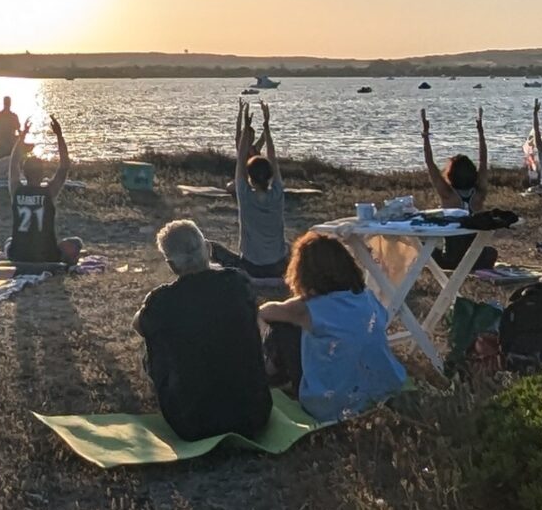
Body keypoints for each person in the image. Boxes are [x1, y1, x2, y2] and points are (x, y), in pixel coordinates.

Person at [134, 220, 272, 441]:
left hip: (193, 423)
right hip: (254, 415)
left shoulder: (162, 300)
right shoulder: (237, 282)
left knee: (152, 338)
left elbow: (138, 325)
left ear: (172, 265)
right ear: (208, 250)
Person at [257, 231, 406, 422]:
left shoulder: (308, 309)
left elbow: (265, 311)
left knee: (285, 328)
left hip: (331, 404)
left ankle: (272, 374)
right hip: (384, 388)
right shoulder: (367, 298)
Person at [211, 100, 289, 276]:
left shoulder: (244, 195)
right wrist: (267, 126)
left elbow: (240, 159)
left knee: (209, 247)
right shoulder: (277, 193)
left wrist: (246, 127)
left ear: (249, 177)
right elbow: (273, 156)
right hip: (278, 266)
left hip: (250, 267)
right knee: (292, 247)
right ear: (270, 176)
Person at [5, 116, 84, 270]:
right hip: (48, 255)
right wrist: (59, 136)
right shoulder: (49, 192)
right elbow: (64, 167)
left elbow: (13, 163)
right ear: (42, 173)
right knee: (76, 242)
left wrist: (21, 137)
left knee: (8, 242)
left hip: (18, 254)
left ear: (24, 173)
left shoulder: (16, 190)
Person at [419, 107, 493, 268]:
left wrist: (425, 134)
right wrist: (481, 132)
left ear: (451, 174)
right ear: (473, 173)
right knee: (490, 252)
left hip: (451, 259)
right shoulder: (479, 194)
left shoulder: (448, 195)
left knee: (422, 248)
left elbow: (430, 163)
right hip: (475, 259)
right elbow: (483, 161)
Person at [0, 96, 21, 175]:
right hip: (9, 145)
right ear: (10, 104)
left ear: (4, 103)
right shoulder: (13, 116)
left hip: (0, 144)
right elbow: (19, 131)